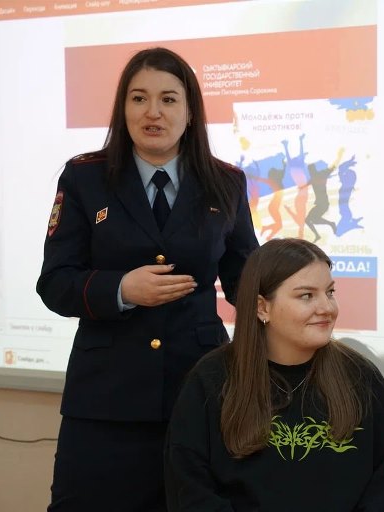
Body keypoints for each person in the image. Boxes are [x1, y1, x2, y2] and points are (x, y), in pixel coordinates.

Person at [36, 47, 259, 511]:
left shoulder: (226, 182)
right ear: (123, 109)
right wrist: (121, 289)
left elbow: (246, 277)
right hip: (104, 399)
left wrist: (287, 301)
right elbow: (55, 282)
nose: (152, 112)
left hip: (197, 389)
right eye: (138, 99)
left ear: (191, 112)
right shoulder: (84, 178)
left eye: (168, 99)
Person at [164, 238, 384, 511]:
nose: (327, 308)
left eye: (330, 292)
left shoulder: (360, 376)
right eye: (306, 296)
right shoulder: (211, 379)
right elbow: (189, 483)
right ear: (262, 307)